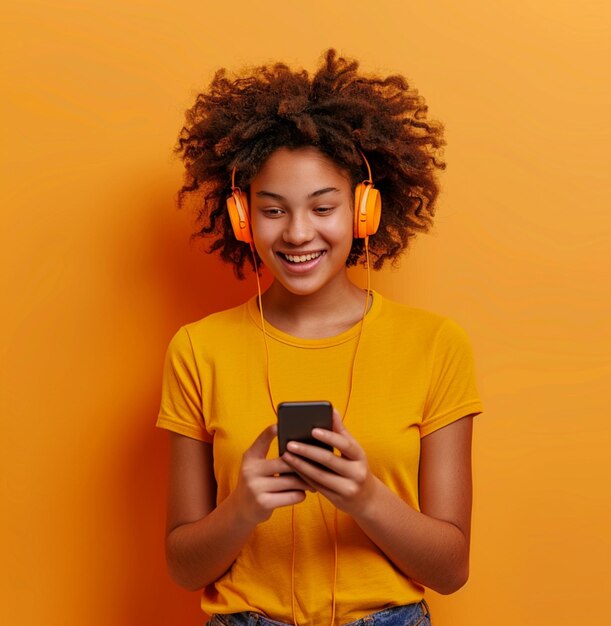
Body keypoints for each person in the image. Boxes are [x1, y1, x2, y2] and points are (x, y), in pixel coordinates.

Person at [157, 49, 483, 626]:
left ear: (364, 211)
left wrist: (366, 497)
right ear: (241, 217)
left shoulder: (436, 344)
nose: (298, 232)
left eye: (324, 206)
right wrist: (242, 509)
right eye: (273, 209)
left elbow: (450, 569)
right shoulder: (196, 349)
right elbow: (184, 569)